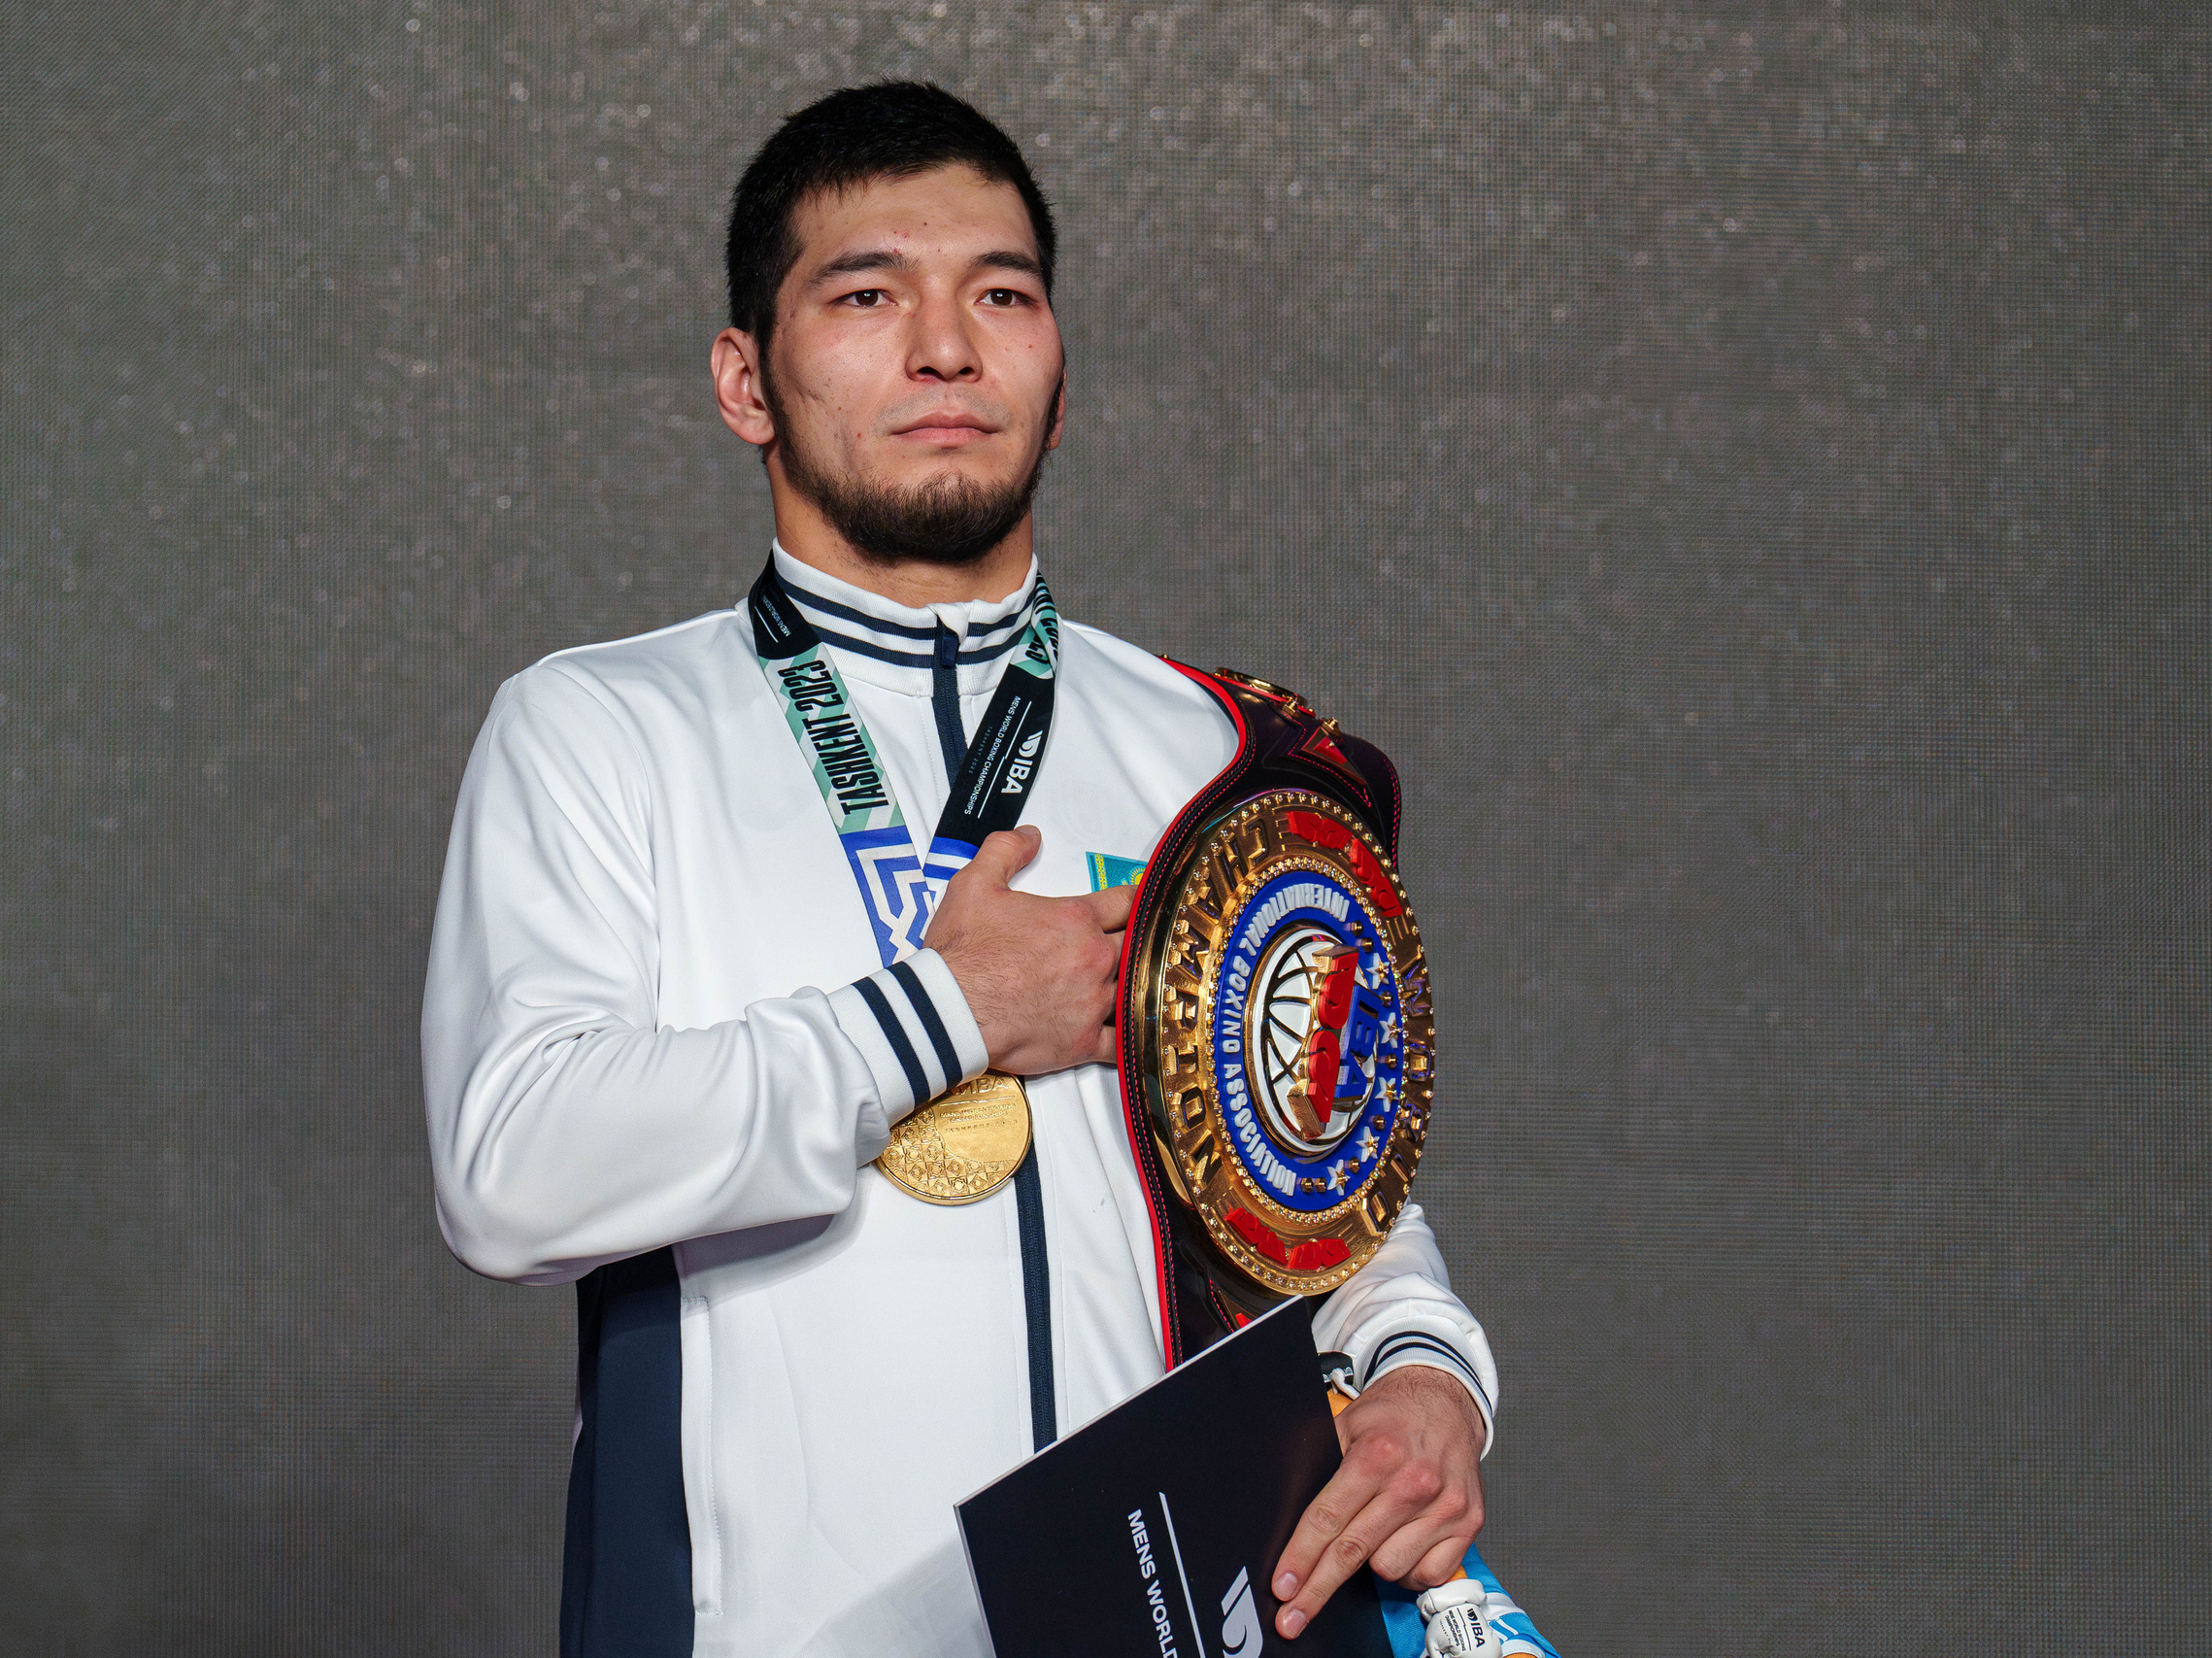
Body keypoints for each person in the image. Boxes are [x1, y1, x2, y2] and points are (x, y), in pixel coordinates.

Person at [422, 81, 1500, 1658]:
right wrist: (942, 1015)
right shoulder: (599, 729)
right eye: (867, 294)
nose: (947, 345)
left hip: (1198, 1622)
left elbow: (1325, 1184)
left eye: (1001, 294)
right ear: (746, 382)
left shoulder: (1219, 750)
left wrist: (1423, 1369)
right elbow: (512, 1167)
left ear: (1058, 383)